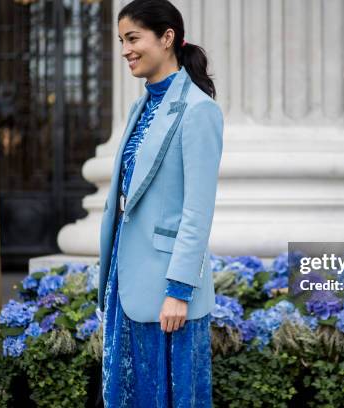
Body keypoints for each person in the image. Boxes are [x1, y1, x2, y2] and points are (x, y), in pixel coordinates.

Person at [96, 0, 223, 406]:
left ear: (167, 38)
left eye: (133, 38)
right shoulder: (141, 105)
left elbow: (197, 209)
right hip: (126, 278)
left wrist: (179, 290)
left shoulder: (199, 110)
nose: (125, 50)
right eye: (121, 40)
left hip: (168, 289)